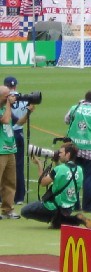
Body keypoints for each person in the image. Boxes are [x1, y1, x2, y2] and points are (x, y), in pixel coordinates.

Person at [21, 142, 91, 229]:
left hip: (53, 205)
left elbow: (43, 182)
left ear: (68, 154)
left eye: (61, 153)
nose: (59, 154)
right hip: (68, 207)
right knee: (58, 221)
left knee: (25, 211)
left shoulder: (59, 169)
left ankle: (55, 219)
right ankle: (70, 220)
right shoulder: (79, 170)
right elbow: (64, 176)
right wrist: (56, 162)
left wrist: (39, 164)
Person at [64, 91, 91, 213]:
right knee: (89, 179)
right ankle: (88, 206)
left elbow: (66, 120)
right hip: (90, 148)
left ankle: (74, 204)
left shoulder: (75, 108)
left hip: (74, 148)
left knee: (74, 176)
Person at [4, 76, 35, 205]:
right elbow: (20, 121)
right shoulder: (23, 99)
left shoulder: (4, 100)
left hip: (7, 134)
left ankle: (5, 197)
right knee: (19, 166)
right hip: (18, 134)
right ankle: (19, 196)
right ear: (15, 86)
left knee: (6, 167)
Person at [0, 86, 22, 219]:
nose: (10, 97)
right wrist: (8, 104)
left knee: (10, 182)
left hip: (10, 149)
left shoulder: (6, 107)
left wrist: (28, 112)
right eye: (7, 96)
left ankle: (8, 209)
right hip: (0, 150)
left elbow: (18, 122)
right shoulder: (4, 108)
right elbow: (5, 120)